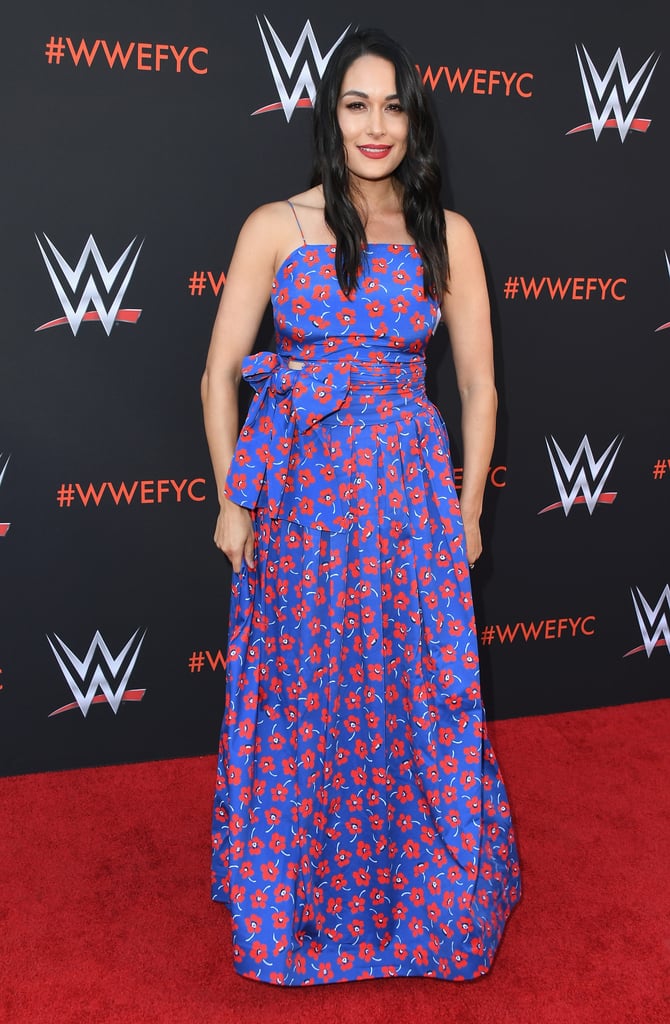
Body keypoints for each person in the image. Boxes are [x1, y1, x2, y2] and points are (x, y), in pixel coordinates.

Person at [201, 28, 521, 986]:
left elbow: (480, 386)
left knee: (410, 693)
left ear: (415, 119)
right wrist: (231, 500)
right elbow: (219, 373)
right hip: (301, 502)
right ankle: (299, 899)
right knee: (309, 692)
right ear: (328, 114)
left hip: (409, 503)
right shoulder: (275, 226)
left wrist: (465, 509)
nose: (374, 126)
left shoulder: (446, 235)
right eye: (355, 103)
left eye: (392, 106)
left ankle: (412, 899)